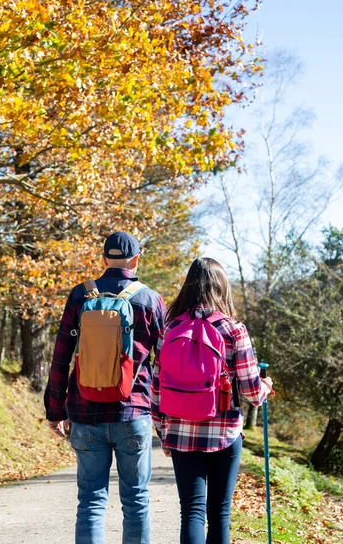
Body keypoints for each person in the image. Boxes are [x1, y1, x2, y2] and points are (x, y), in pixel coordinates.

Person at [45, 231, 166, 544]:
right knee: (137, 500)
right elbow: (164, 364)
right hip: (133, 413)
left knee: (91, 501)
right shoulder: (150, 299)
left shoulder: (79, 295)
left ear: (103, 260)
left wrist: (55, 409)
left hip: (85, 414)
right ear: (136, 260)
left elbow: (61, 356)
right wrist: (164, 418)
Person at [151, 257, 274, 544]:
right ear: (222, 288)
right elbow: (253, 394)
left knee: (191, 512)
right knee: (220, 513)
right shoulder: (233, 330)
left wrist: (164, 434)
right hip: (224, 433)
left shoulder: (169, 330)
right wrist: (265, 385)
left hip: (180, 432)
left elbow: (156, 389)